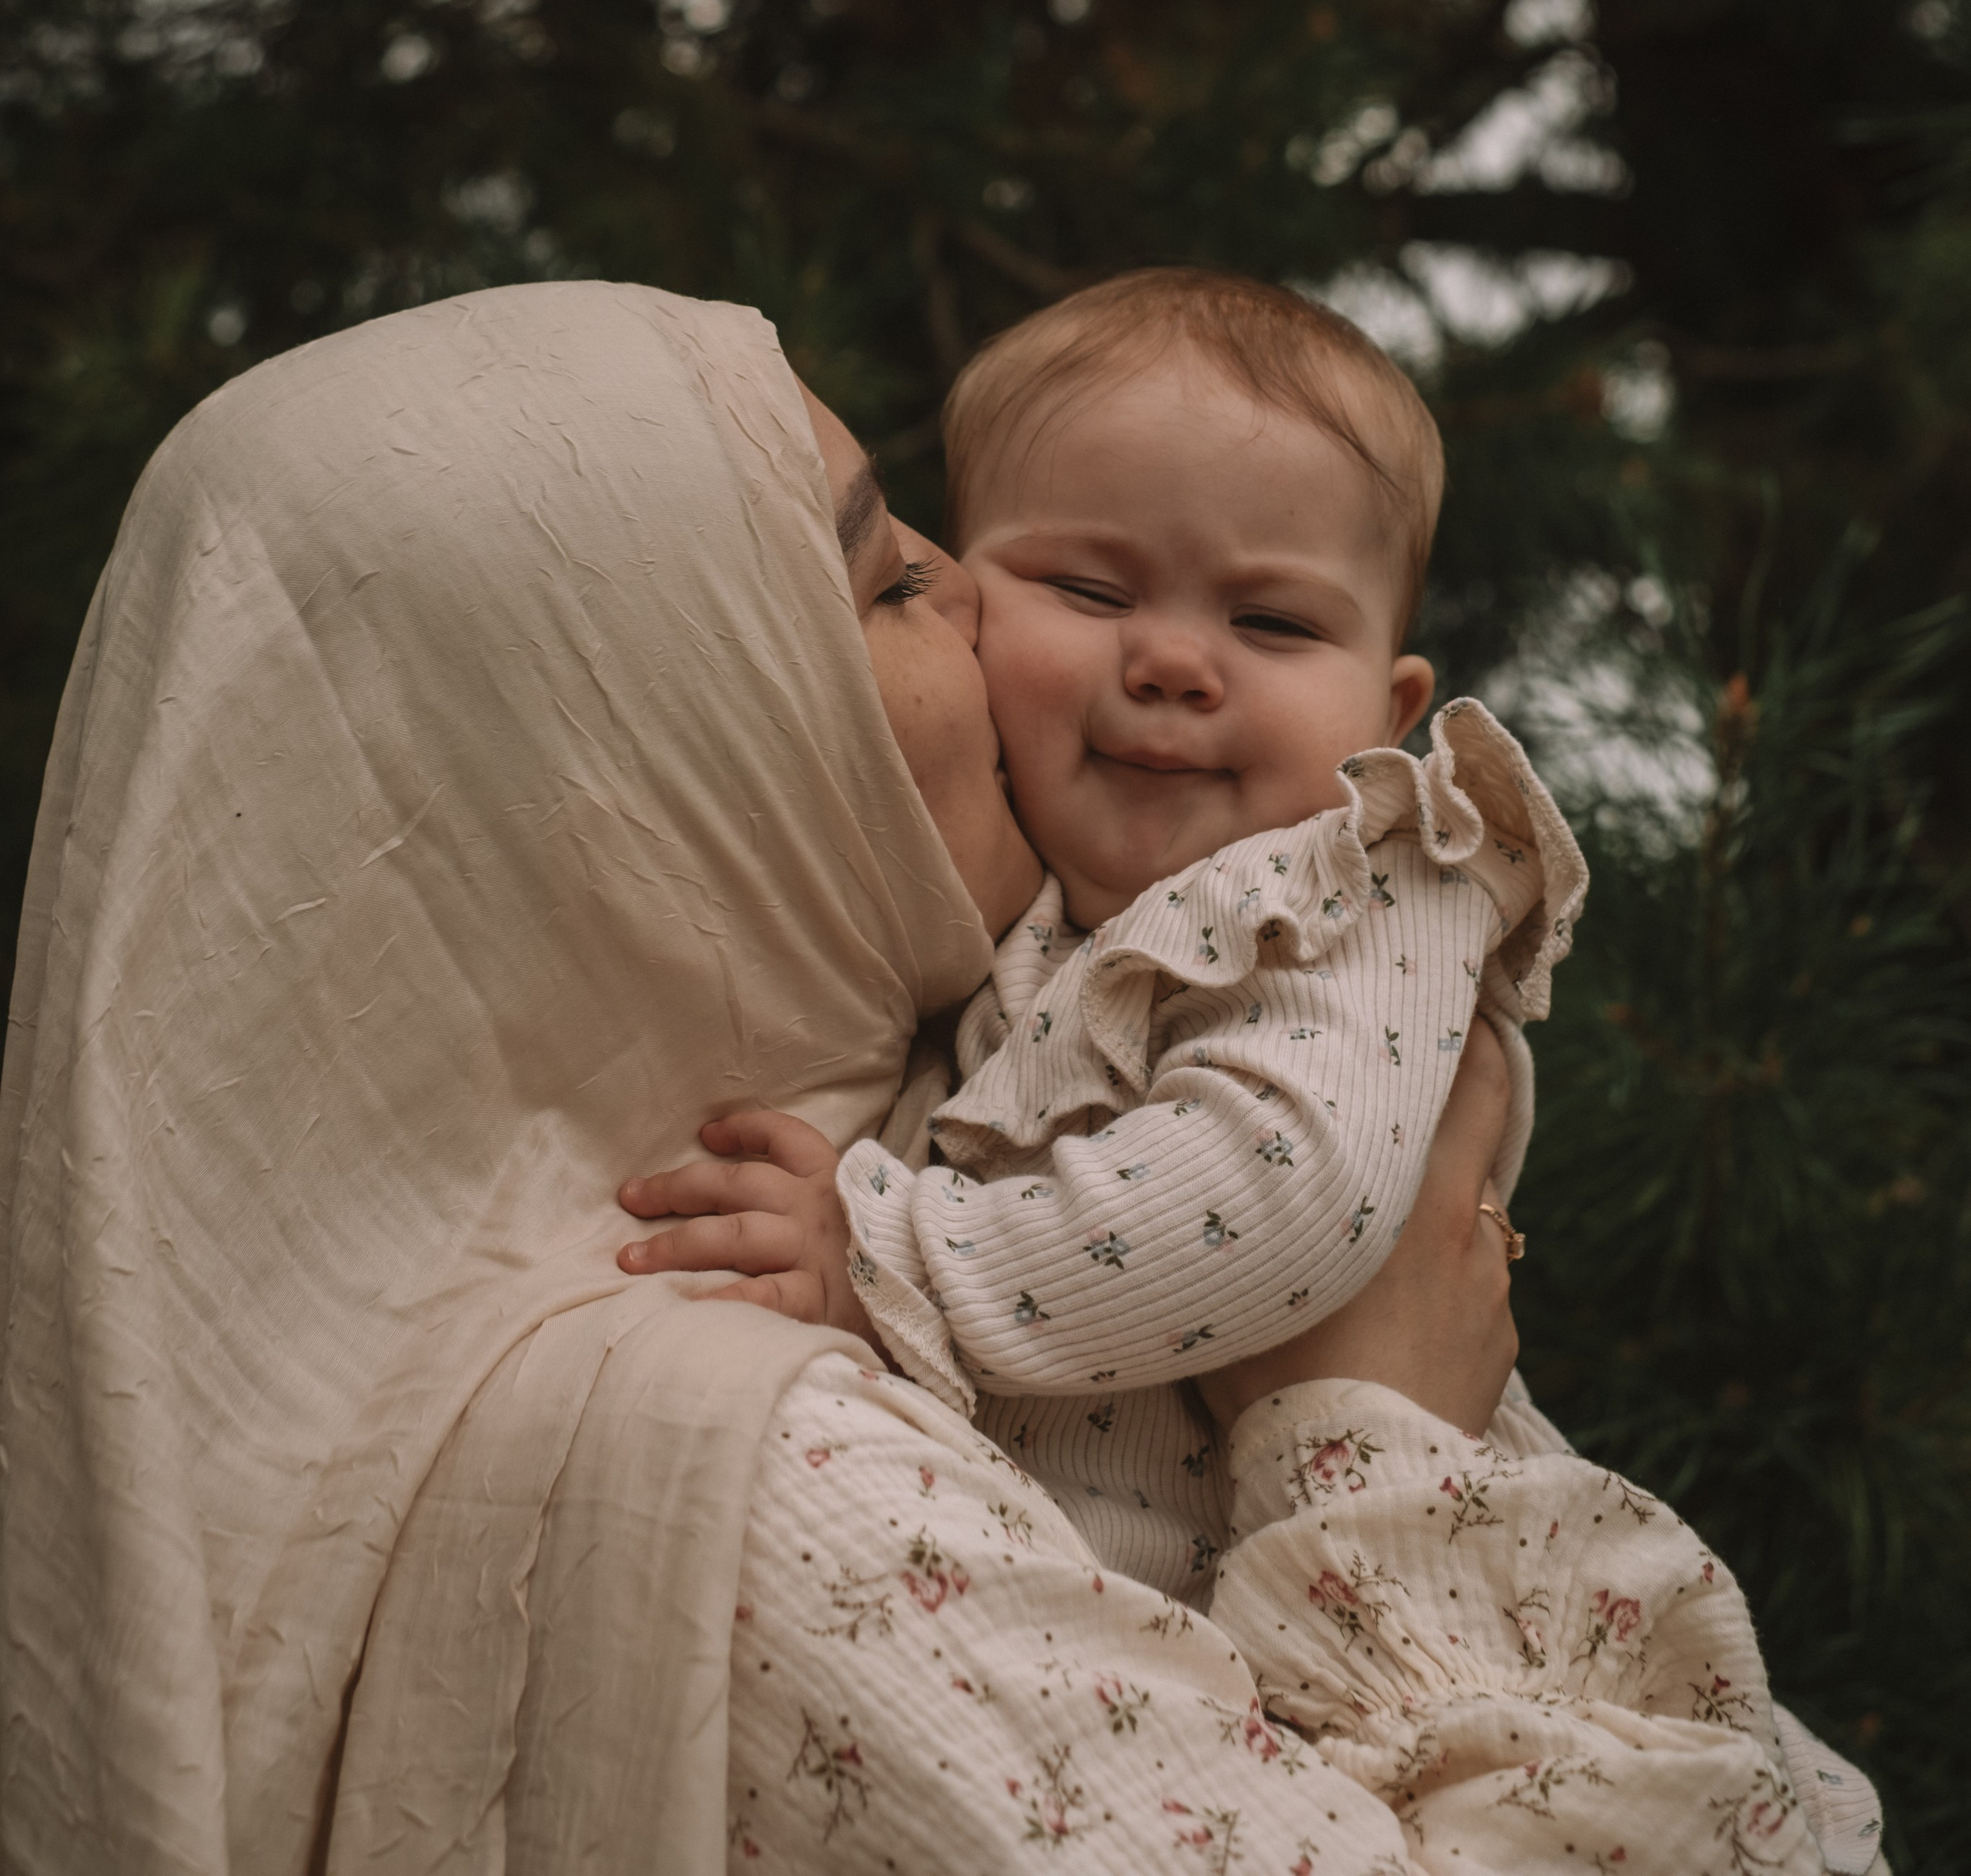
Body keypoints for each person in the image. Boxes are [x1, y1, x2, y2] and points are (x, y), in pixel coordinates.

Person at [0, 283, 1865, 1875]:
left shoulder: (1083, 1025)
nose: (972, 611)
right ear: (660, 748)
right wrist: (1374, 1430)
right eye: (889, 571)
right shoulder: (775, 1476)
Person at [625, 270, 1591, 1604]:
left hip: (1421, 1569)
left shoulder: (1351, 896)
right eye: (1089, 588)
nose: (1176, 663)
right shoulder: (999, 910)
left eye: (1272, 622)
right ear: (957, 602)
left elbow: (1286, 1190)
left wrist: (894, 1265)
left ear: (1391, 702)